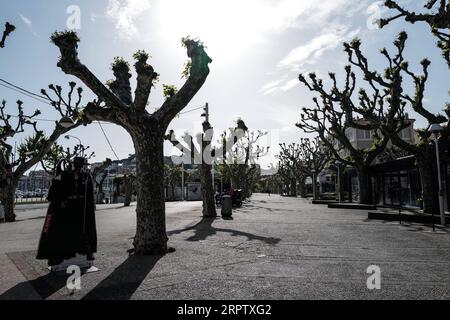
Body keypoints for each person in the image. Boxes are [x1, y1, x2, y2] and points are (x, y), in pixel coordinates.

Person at [36, 157, 97, 266]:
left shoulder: (86, 177)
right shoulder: (65, 175)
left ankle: (86, 251)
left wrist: (89, 206)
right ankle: (58, 256)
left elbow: (89, 194)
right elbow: (55, 190)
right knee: (61, 231)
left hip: (81, 207)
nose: (79, 167)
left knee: (85, 228)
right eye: (77, 164)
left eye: (81, 165)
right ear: (73, 165)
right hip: (66, 208)